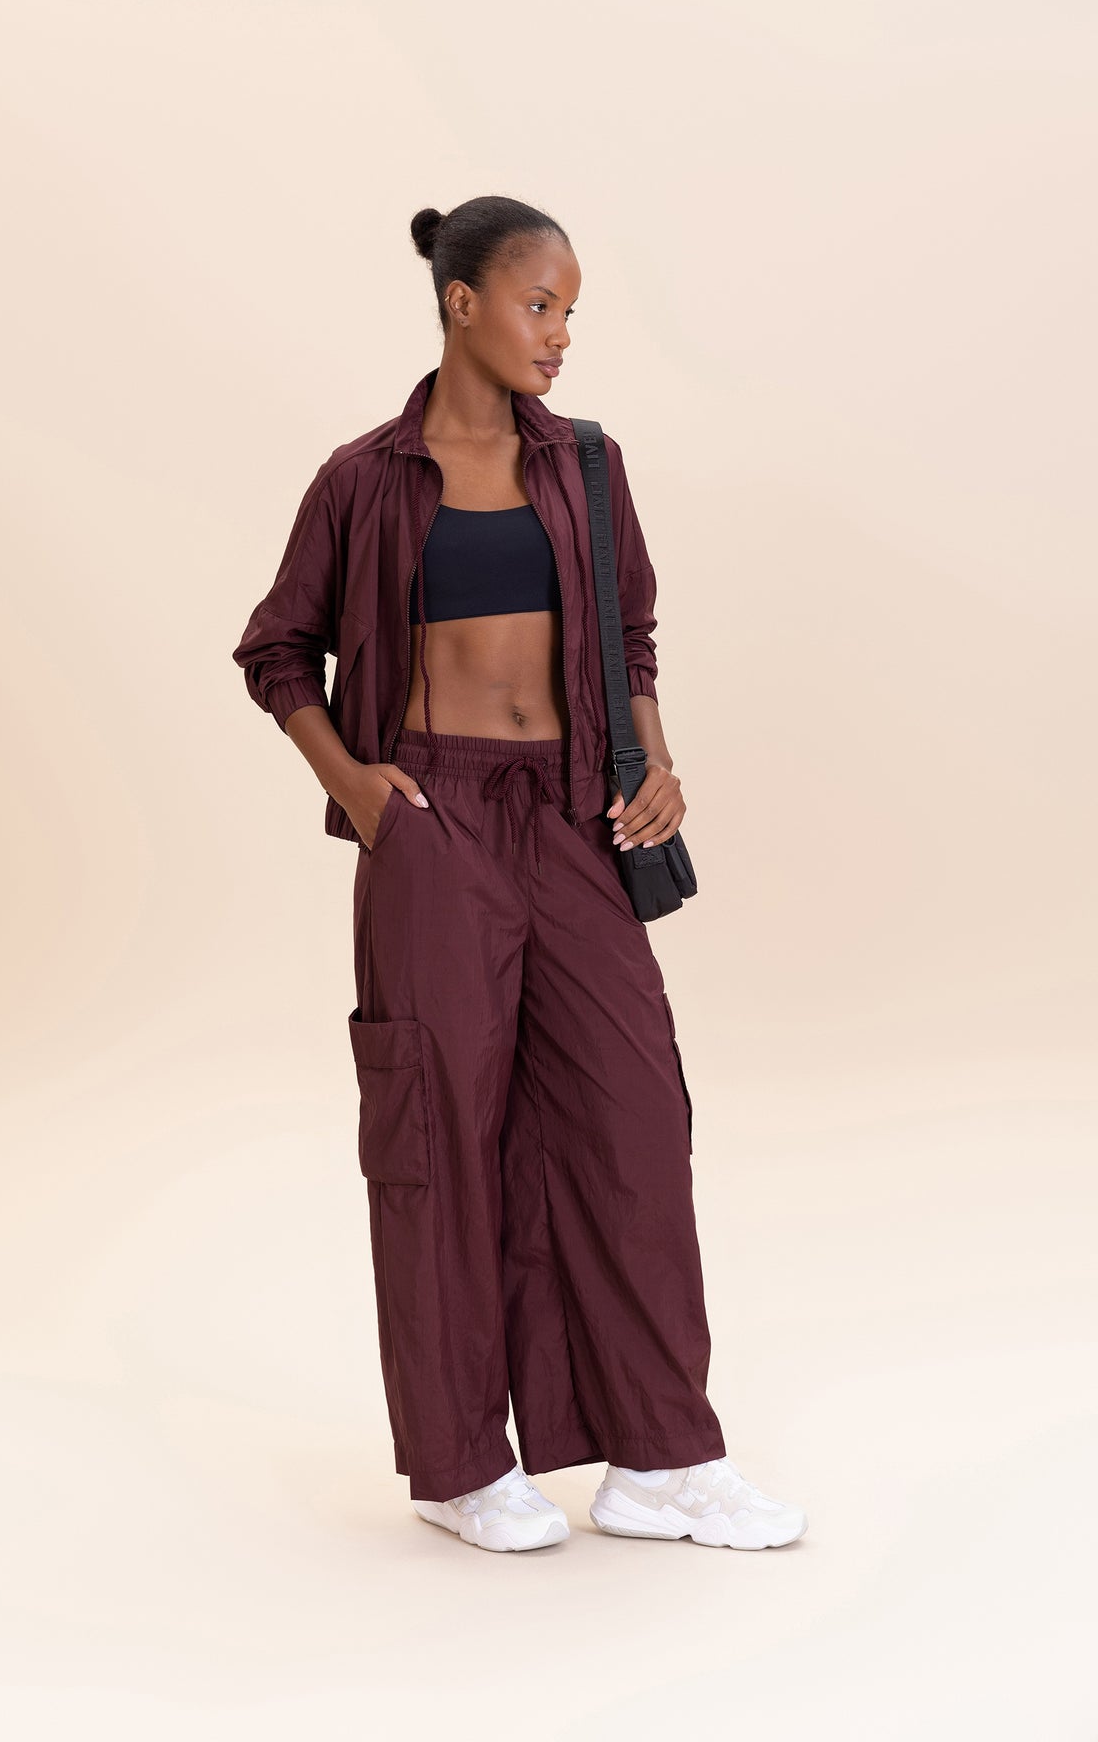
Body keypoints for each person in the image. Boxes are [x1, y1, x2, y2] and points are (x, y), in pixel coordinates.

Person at [232, 195, 807, 1554]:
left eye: (571, 313)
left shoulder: (587, 467)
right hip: (434, 820)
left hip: (572, 816)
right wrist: (358, 788)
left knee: (632, 1117)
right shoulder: (364, 477)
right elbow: (276, 651)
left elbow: (630, 633)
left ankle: (661, 1460)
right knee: (440, 1132)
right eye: (538, 305)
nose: (558, 335)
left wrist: (651, 759)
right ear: (462, 302)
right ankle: (458, 1466)